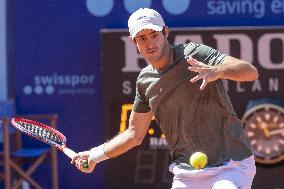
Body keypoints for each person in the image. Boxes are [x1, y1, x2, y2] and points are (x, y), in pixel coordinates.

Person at [71, 8, 258, 189]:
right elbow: (134, 134)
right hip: (187, 172)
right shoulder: (144, 82)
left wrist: (217, 71)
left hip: (231, 165)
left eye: (154, 35)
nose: (150, 44)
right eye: (142, 38)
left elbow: (251, 73)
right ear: (133, 42)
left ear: (165, 32)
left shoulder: (195, 55)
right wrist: (94, 155)